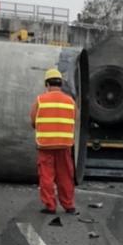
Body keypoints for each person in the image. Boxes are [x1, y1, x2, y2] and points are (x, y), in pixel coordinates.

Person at [30, 67, 77, 214]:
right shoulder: (70, 101)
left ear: (47, 84)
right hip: (64, 145)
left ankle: (50, 206)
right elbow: (74, 119)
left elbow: (33, 121)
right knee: (65, 176)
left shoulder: (40, 100)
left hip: (46, 145)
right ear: (61, 84)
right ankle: (69, 205)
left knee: (46, 176)